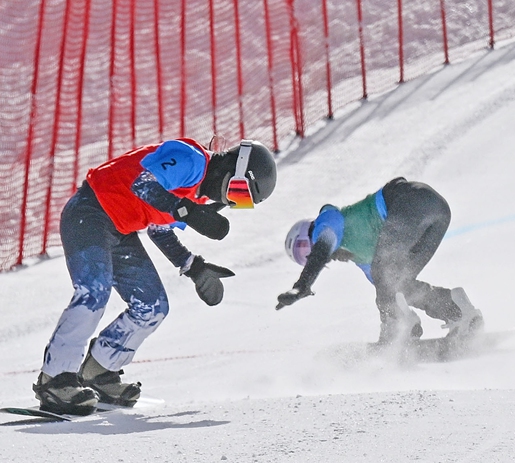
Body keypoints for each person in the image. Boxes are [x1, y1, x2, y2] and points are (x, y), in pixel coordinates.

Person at [36, 138, 278, 416]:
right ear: (234, 168)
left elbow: (159, 228)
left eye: (241, 202)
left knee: (153, 306)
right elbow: (143, 184)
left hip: (119, 230)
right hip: (90, 212)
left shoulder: (195, 195)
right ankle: (55, 379)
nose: (228, 200)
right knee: (94, 292)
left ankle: (99, 371)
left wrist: (194, 267)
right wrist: (189, 212)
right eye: (238, 191)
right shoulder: (190, 158)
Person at [276, 177, 483, 350]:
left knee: (384, 273)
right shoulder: (364, 257)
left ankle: (398, 330)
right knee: (397, 284)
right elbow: (391, 291)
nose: (309, 256)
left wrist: (302, 285)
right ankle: (458, 309)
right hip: (438, 215)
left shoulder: (328, 220)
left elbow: (322, 248)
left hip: (412, 199)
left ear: (310, 231)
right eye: (302, 257)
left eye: (305, 249)